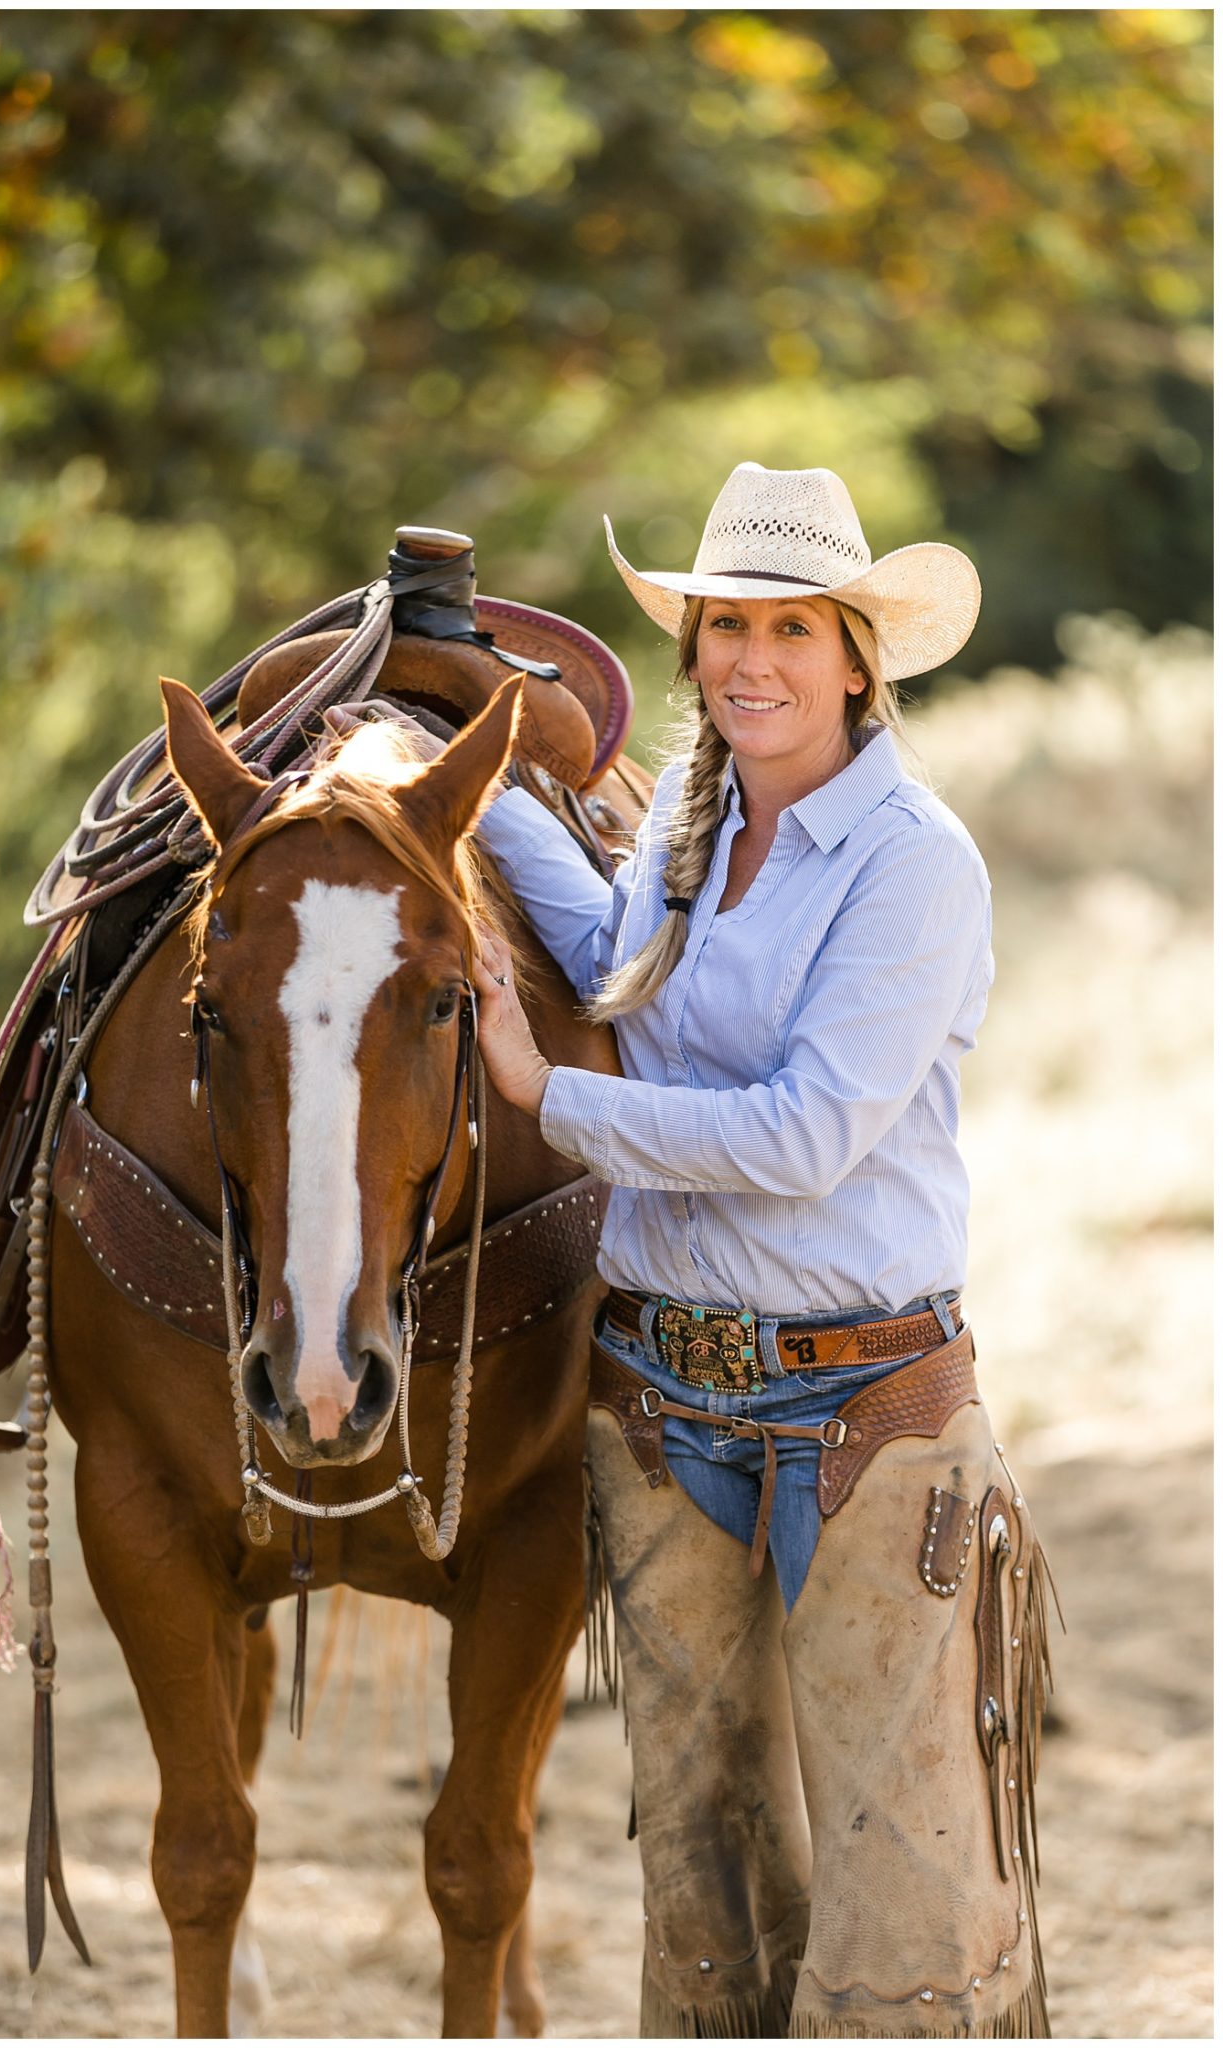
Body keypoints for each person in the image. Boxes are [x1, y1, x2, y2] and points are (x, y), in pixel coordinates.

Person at [471, 464, 1056, 2039]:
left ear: (858, 655)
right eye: (727, 624)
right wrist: (473, 809)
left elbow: (807, 1137)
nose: (752, 661)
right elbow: (615, 953)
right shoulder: (687, 808)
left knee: (904, 1872)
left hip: (865, 1410)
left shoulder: (913, 863)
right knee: (703, 1864)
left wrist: (551, 1096)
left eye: (790, 628)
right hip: (663, 1400)